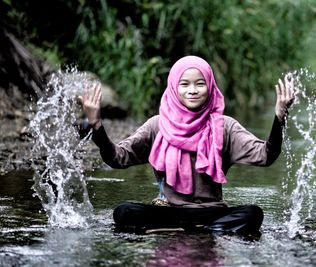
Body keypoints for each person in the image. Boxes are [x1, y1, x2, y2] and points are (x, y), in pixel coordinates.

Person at [79, 55, 296, 235]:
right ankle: (202, 231)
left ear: (209, 86)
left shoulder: (224, 127)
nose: (192, 90)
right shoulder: (157, 125)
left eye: (200, 83)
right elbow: (117, 158)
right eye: (185, 84)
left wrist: (279, 118)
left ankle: (185, 229)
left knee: (253, 214)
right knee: (123, 212)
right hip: (169, 211)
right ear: (174, 87)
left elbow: (266, 156)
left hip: (212, 212)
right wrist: (96, 125)